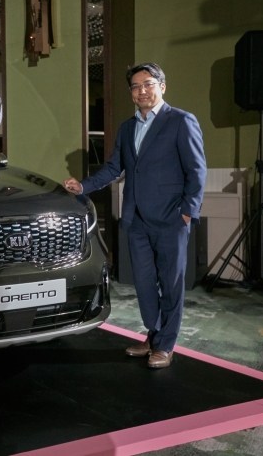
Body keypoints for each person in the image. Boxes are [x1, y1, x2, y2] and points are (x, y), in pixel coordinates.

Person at [64, 63, 206, 369]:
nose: (141, 91)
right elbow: (114, 168)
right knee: (143, 284)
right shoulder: (128, 128)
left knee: (171, 285)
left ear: (162, 87)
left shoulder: (181, 121)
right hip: (136, 219)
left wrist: (187, 213)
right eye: (135, 86)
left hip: (171, 219)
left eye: (148, 84)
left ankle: (165, 345)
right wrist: (83, 186)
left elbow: (197, 171)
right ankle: (153, 336)